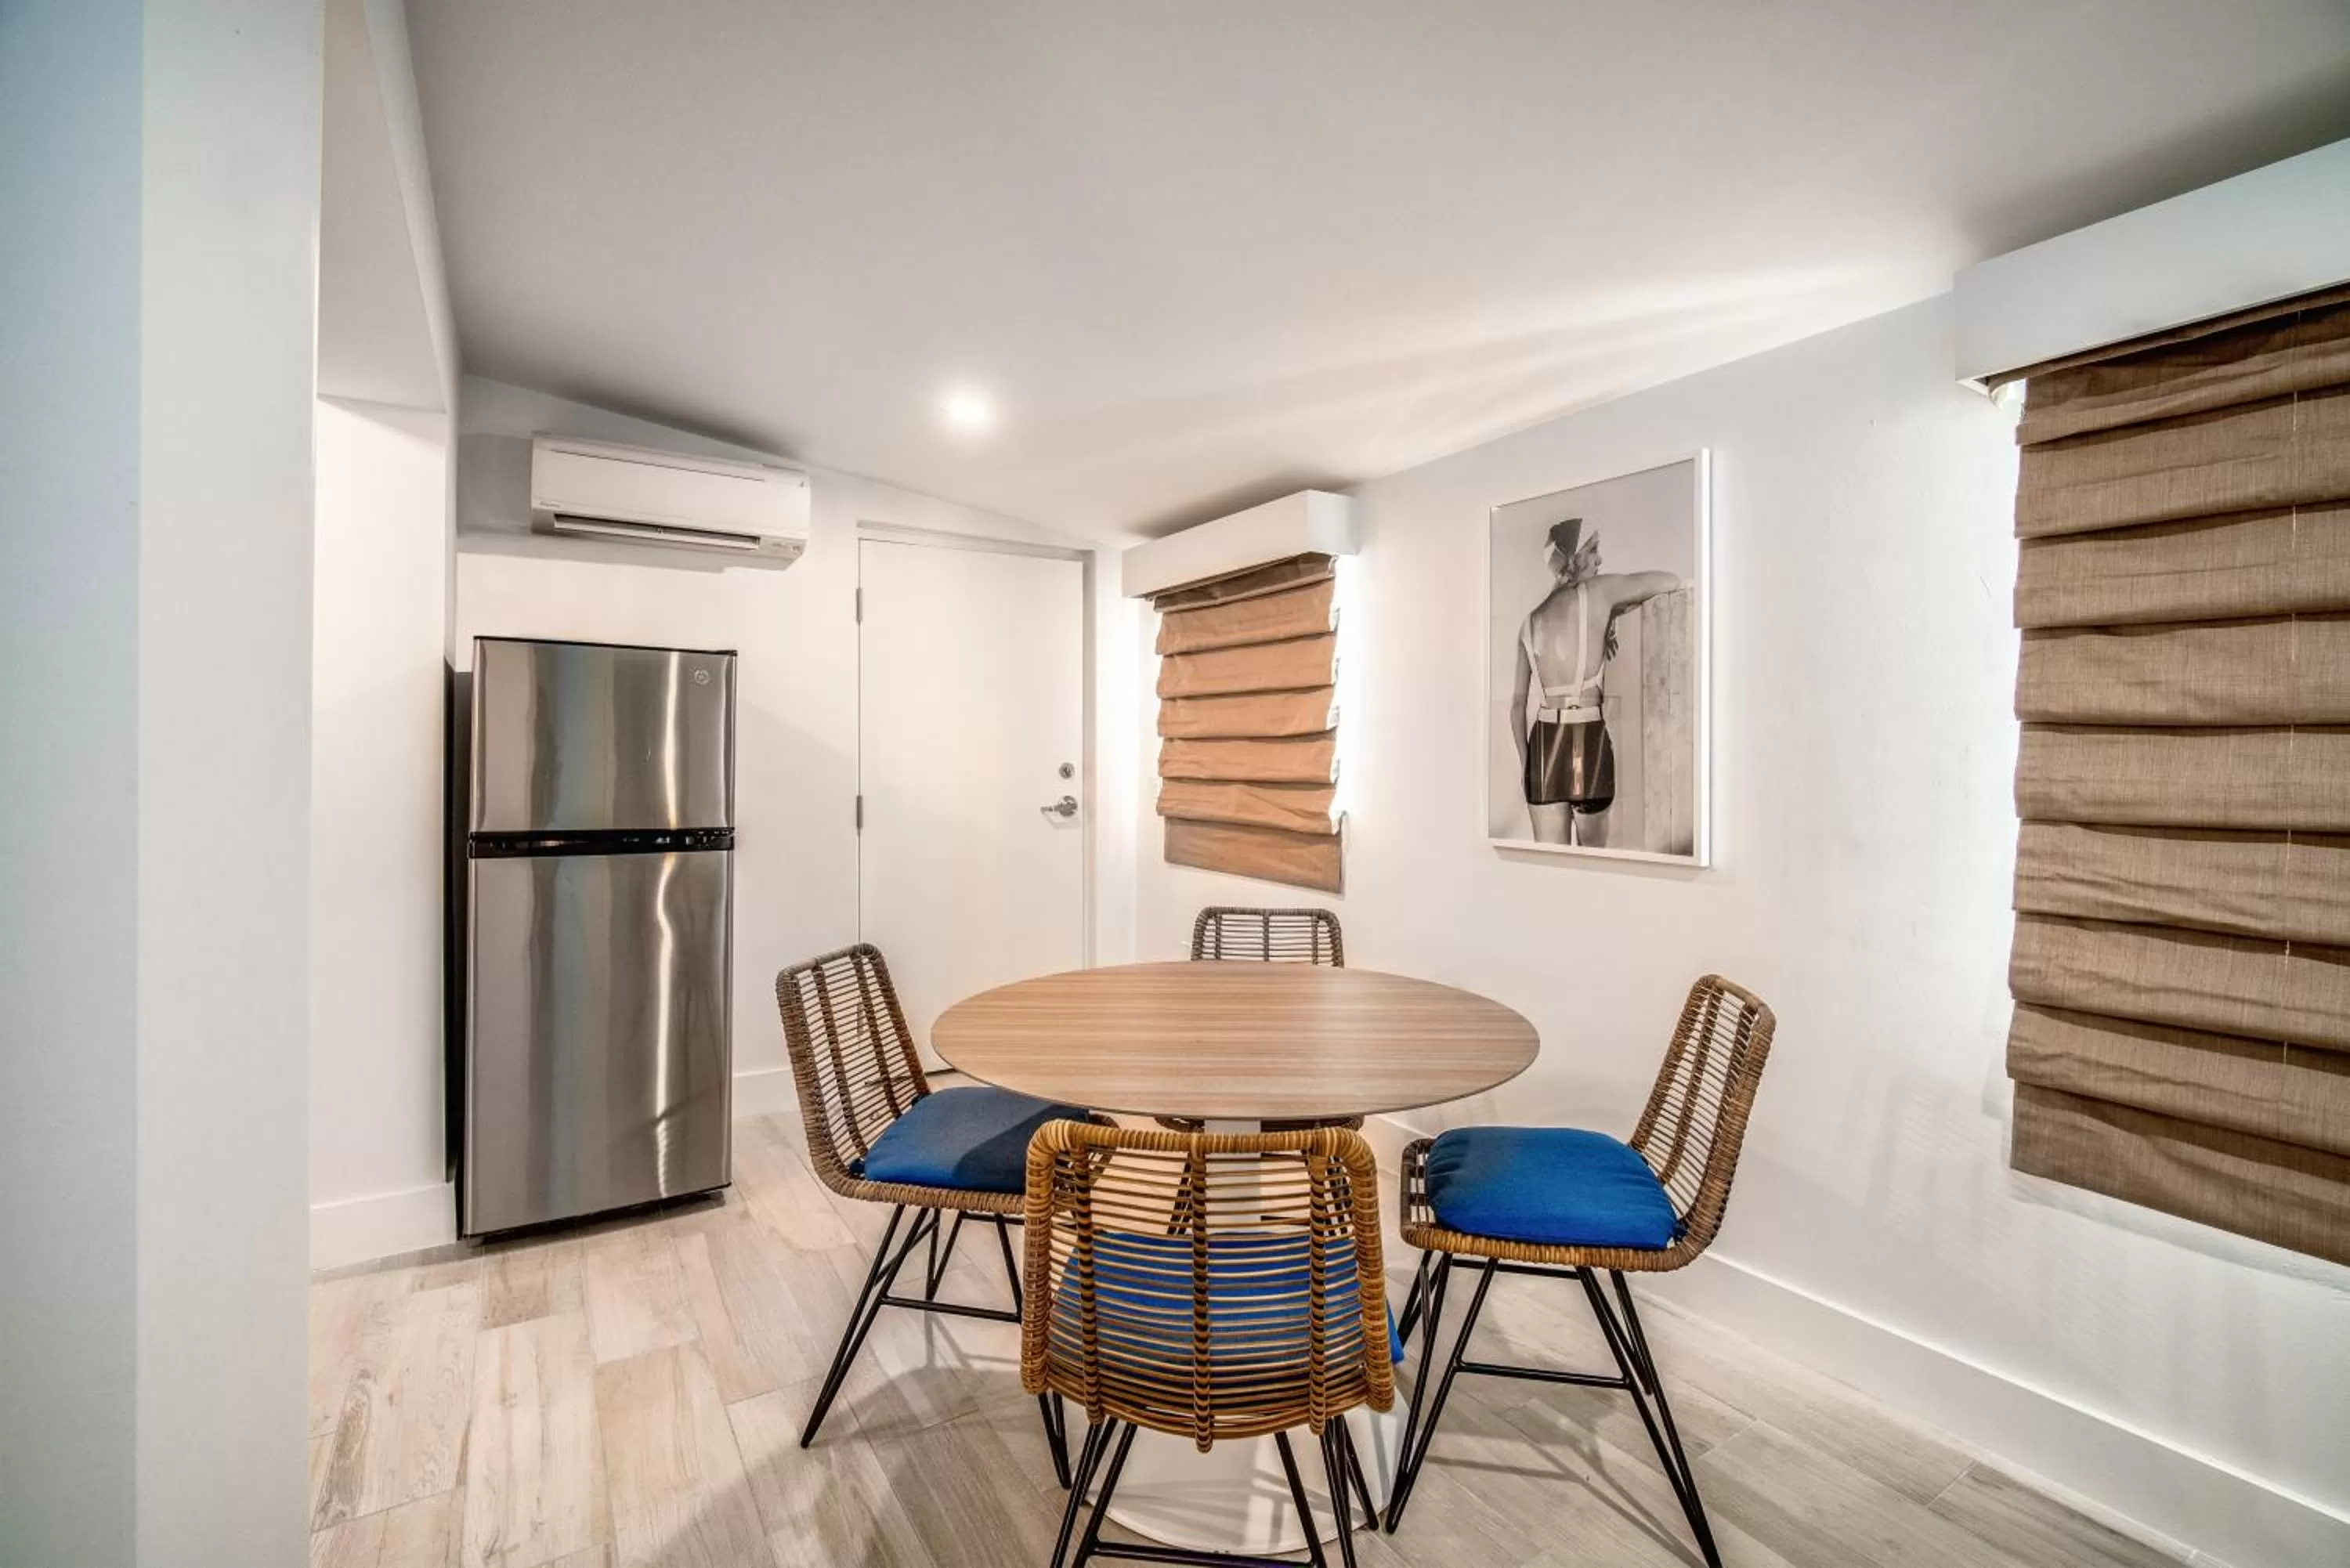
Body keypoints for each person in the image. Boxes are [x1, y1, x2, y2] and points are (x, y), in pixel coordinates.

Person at [1510, 517, 1683, 847]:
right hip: (1587, 739)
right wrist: (1611, 612)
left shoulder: (1530, 622)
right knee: (1596, 867)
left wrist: (1525, 765)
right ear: (1573, 558)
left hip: (1544, 745)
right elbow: (1670, 580)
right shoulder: (1600, 592)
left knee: (1550, 871)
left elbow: (1517, 706)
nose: (1599, 560)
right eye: (1593, 549)